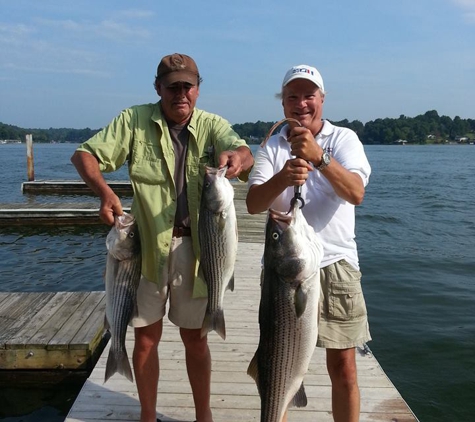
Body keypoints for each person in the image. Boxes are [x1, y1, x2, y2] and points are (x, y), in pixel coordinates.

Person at [71, 53, 254, 422]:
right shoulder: (134, 120)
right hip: (145, 247)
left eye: (187, 86)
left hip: (200, 246)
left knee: (195, 340)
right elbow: (84, 155)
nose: (180, 94)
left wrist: (238, 158)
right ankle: (148, 416)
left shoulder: (212, 124)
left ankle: (204, 416)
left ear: (198, 90)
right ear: (158, 88)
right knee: (145, 339)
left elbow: (243, 152)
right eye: (172, 87)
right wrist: (106, 193)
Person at [246, 64, 371, 422]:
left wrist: (319, 157)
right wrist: (283, 177)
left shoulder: (343, 139)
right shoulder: (273, 146)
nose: (301, 103)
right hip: (283, 271)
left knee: (344, 368)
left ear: (322, 99)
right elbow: (254, 204)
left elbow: (356, 193)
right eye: (293, 96)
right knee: (276, 366)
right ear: (283, 102)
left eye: (309, 95)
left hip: (335, 263)